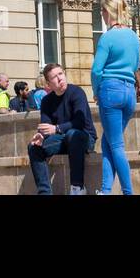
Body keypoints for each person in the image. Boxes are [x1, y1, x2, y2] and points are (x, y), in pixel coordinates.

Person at [91, 0, 140, 195]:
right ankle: (105, 191)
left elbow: (96, 70)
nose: (101, 14)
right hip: (129, 92)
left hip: (110, 90)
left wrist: (96, 91)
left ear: (108, 11)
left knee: (117, 145)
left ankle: (128, 192)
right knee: (108, 142)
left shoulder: (107, 37)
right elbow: (137, 65)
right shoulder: (133, 36)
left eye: (102, 10)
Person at [27, 63, 95, 195]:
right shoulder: (47, 101)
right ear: (48, 84)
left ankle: (77, 188)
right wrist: (41, 136)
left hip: (84, 138)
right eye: (54, 77)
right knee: (34, 147)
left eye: (61, 74)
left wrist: (57, 128)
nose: (60, 79)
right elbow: (47, 126)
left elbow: (80, 122)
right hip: (64, 140)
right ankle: (44, 192)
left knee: (72, 134)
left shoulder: (77, 92)